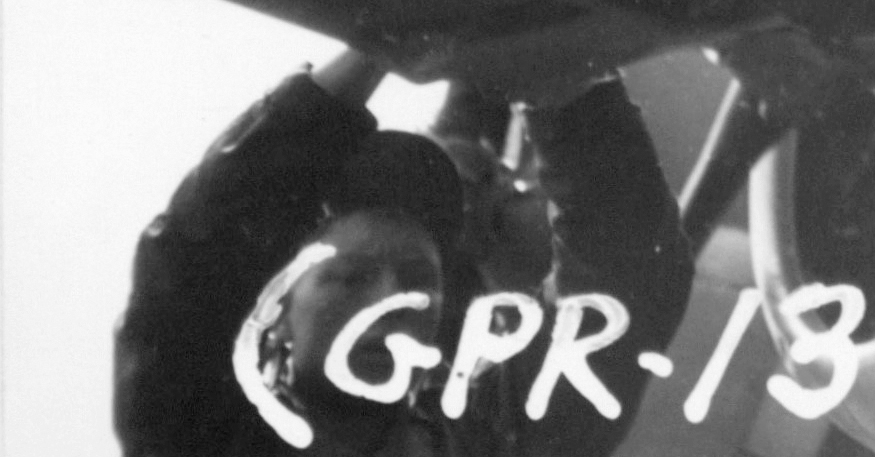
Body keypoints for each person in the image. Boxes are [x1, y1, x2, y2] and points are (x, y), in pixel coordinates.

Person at [114, 48, 694, 457]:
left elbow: (627, 282)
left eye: (419, 280)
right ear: (277, 317)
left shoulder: (487, 440)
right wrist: (372, 45)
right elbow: (189, 271)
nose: (390, 302)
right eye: (348, 278)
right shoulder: (196, 440)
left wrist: (552, 63)